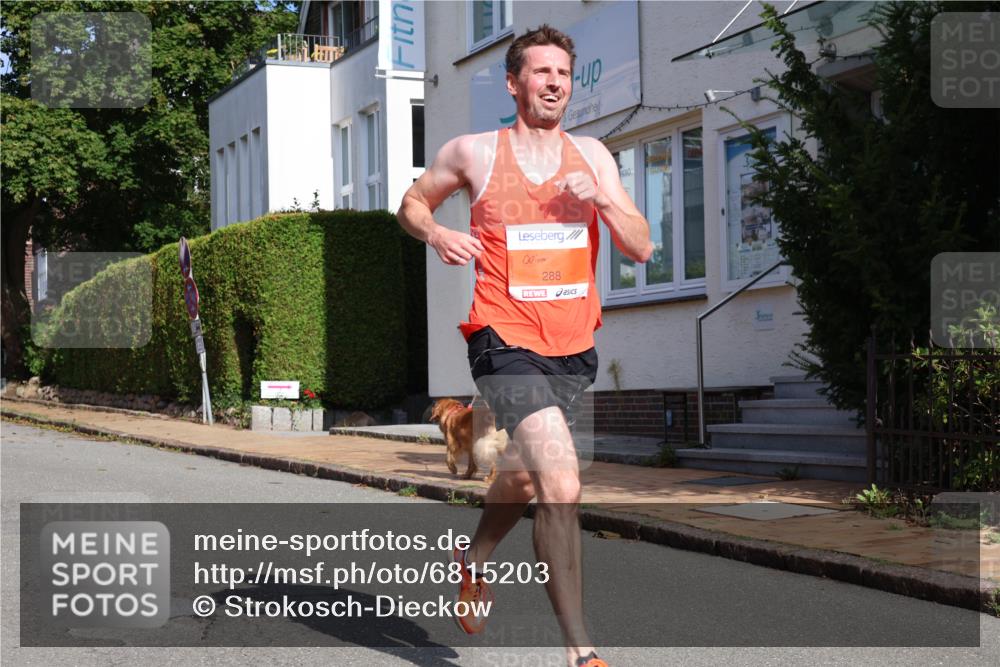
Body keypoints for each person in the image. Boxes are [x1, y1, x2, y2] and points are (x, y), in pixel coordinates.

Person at [397, 24, 652, 667]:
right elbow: (410, 204)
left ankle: (473, 555)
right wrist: (436, 235)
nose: (554, 83)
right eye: (541, 72)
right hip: (501, 336)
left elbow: (642, 245)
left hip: (571, 344)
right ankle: (582, 653)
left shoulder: (592, 156)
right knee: (561, 482)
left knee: (520, 475)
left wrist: (607, 204)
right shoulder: (475, 152)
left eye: (563, 74)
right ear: (514, 83)